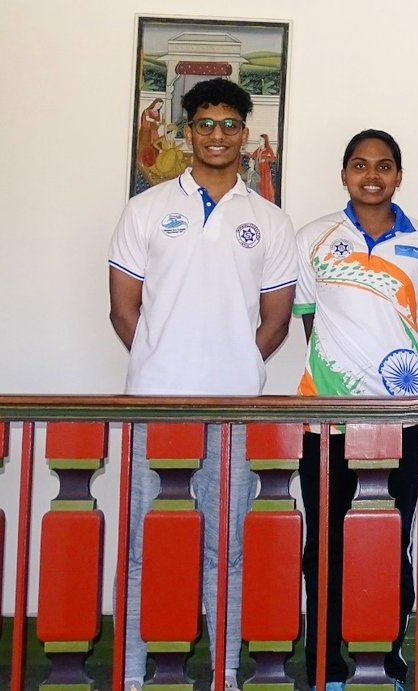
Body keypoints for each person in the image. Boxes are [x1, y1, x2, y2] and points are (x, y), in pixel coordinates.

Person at [108, 77, 297, 691]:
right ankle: (132, 674)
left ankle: (225, 673)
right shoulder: (145, 209)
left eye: (230, 125)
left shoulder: (269, 220)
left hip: (235, 408)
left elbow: (276, 321)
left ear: (245, 133)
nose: (218, 135)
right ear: (186, 132)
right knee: (144, 544)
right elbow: (123, 310)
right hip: (153, 405)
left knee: (226, 547)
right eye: (205, 124)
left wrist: (231, 364)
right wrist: (165, 362)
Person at [293, 129, 418, 691]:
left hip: (400, 420)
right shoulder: (314, 236)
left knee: (391, 542)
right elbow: (311, 322)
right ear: (344, 174)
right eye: (360, 165)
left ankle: (386, 662)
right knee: (325, 545)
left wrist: (388, 377)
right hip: (326, 419)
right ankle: (327, 669)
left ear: (399, 176)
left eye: (384, 165)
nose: (372, 175)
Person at [249, 133, 277, 203]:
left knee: (265, 184)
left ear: (265, 141)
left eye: (261, 140)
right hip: (258, 169)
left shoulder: (268, 149)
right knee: (259, 184)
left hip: (265, 170)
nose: (259, 141)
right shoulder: (258, 150)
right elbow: (252, 155)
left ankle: (267, 199)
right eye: (259, 140)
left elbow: (272, 157)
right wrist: (245, 152)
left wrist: (265, 160)